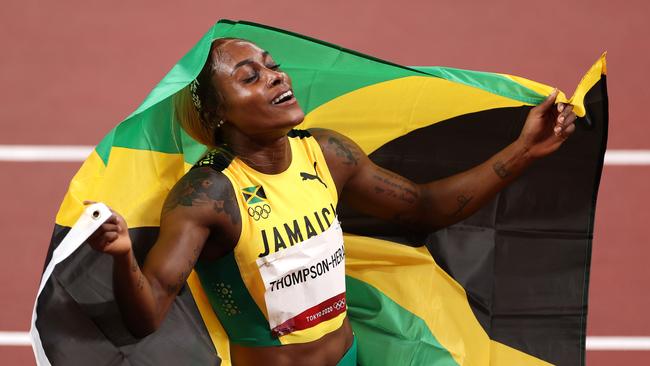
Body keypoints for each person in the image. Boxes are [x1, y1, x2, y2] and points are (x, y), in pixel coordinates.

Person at [87, 37, 577, 366]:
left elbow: (425, 208)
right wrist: (124, 254)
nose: (277, 78)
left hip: (352, 356)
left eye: (274, 68)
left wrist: (525, 150)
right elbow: (147, 312)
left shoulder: (326, 153)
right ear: (217, 113)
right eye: (250, 76)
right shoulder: (208, 195)